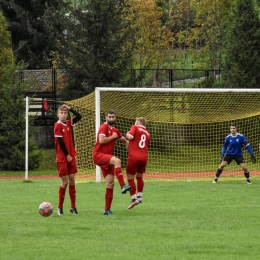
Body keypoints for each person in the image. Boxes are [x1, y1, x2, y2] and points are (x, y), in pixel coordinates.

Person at [92, 109, 132, 215]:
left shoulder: (115, 130)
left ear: (115, 117)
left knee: (110, 183)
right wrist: (113, 137)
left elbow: (125, 141)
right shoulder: (104, 127)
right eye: (109, 117)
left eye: (113, 117)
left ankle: (107, 210)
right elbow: (101, 140)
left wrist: (129, 145)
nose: (111, 118)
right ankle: (123, 186)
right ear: (105, 117)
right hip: (98, 155)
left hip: (106, 158)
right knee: (117, 160)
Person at [54, 104, 82, 215]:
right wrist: (67, 155)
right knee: (64, 182)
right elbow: (60, 142)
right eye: (61, 113)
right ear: (57, 115)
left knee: (72, 180)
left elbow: (79, 116)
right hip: (62, 157)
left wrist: (71, 109)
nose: (64, 115)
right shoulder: (58, 125)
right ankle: (59, 207)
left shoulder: (69, 123)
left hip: (71, 156)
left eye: (65, 113)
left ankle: (73, 207)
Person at [126, 117, 151, 209]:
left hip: (134, 157)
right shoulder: (148, 133)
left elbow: (130, 137)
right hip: (144, 157)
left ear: (137, 122)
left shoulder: (135, 127)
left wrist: (127, 134)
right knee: (139, 177)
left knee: (130, 178)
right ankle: (139, 196)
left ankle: (133, 199)